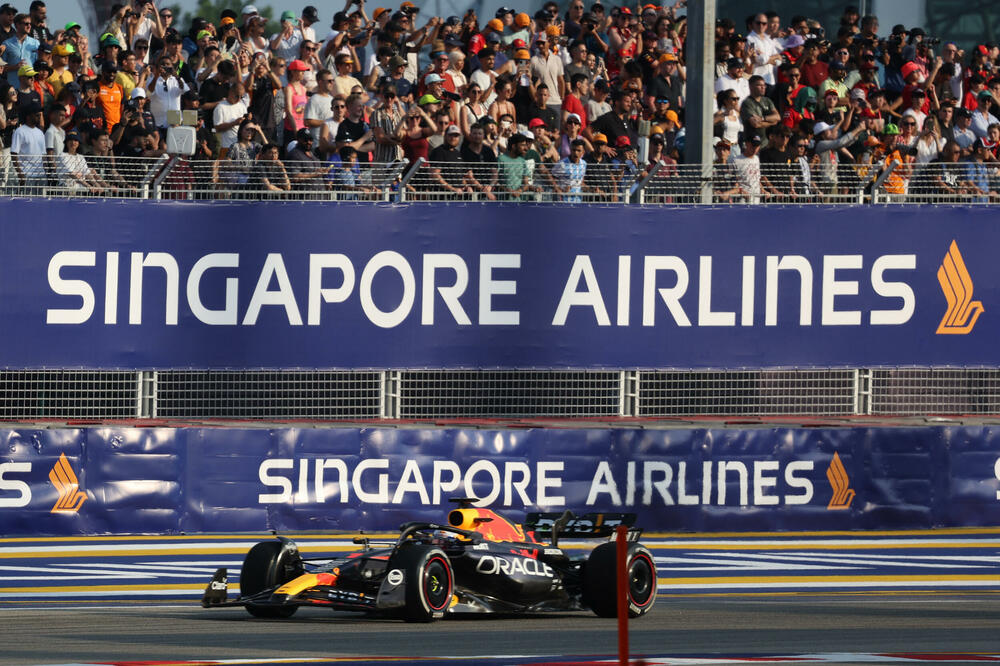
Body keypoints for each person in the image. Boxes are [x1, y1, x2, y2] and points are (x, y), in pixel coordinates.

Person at [10, 101, 45, 192]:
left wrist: (45, 172)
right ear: (28, 116)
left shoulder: (40, 133)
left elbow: (43, 155)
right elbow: (14, 154)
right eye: (36, 114)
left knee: (40, 201)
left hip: (41, 175)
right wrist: (20, 173)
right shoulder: (19, 131)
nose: (39, 116)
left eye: (39, 114)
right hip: (27, 174)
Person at [552, 138, 587, 202]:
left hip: (578, 201)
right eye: (574, 150)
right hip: (563, 201)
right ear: (570, 149)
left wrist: (590, 189)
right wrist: (558, 189)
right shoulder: (562, 164)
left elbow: (581, 181)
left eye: (579, 150)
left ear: (583, 152)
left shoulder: (584, 164)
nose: (575, 153)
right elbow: (551, 177)